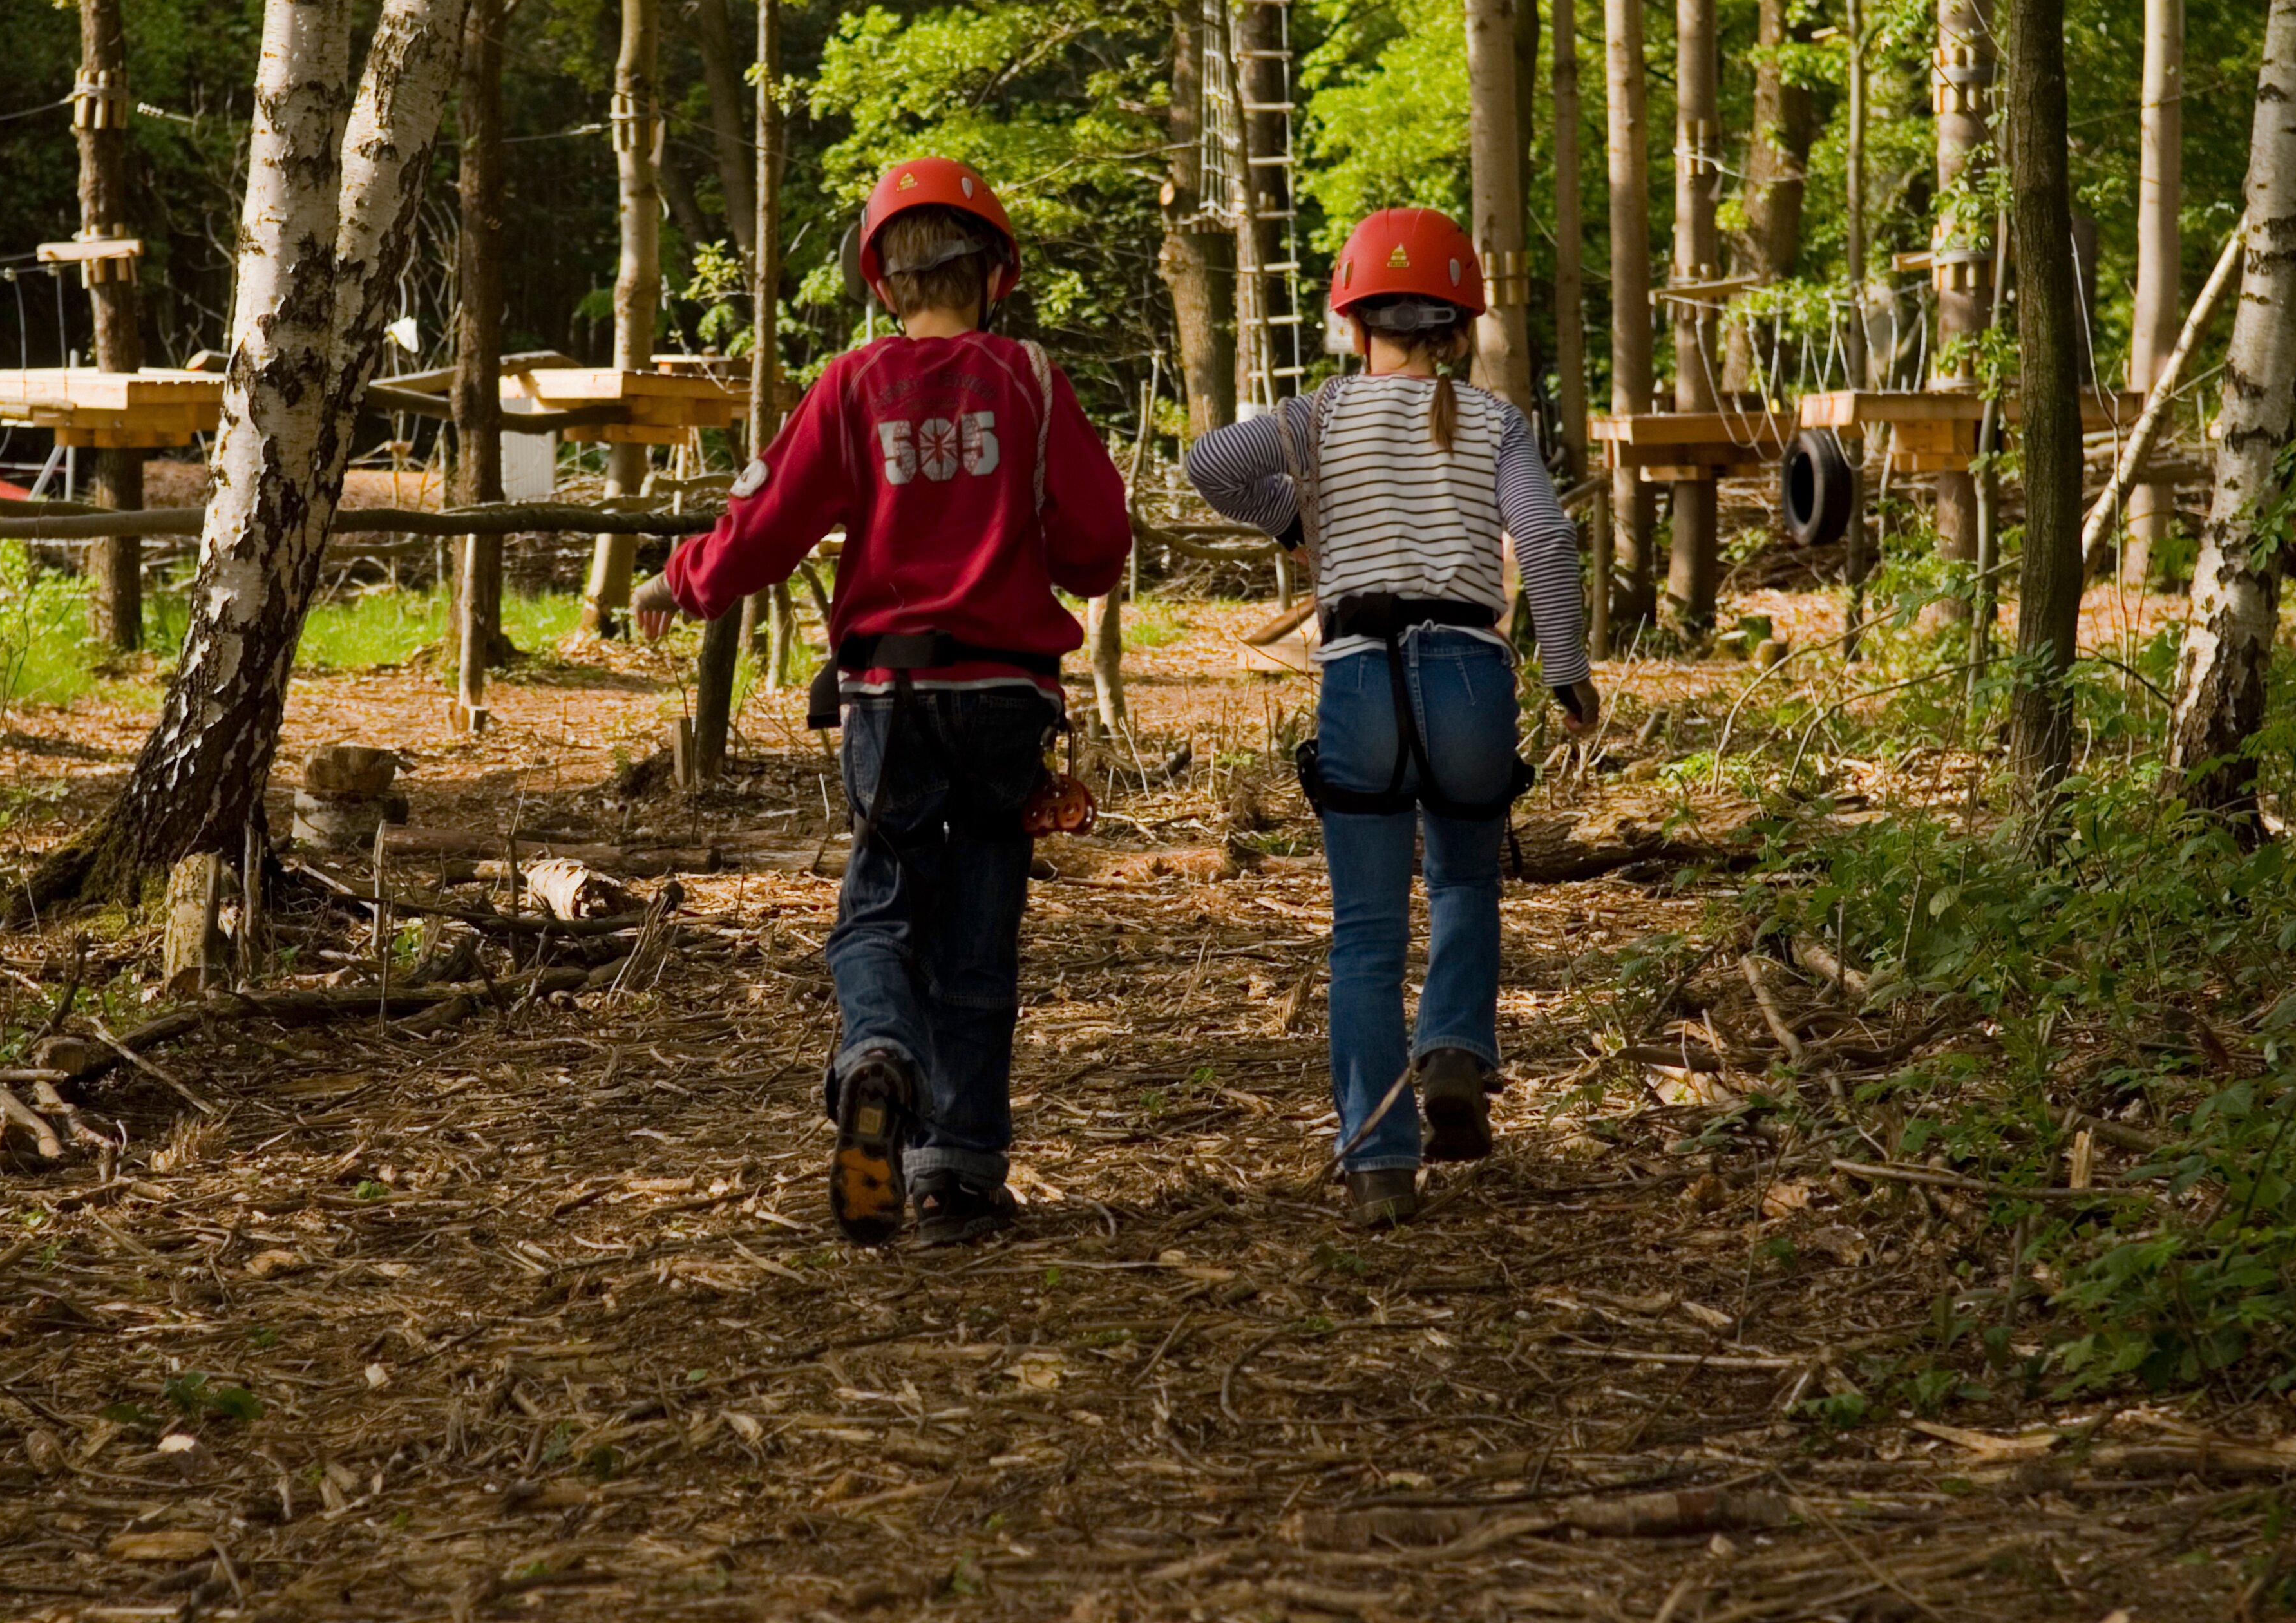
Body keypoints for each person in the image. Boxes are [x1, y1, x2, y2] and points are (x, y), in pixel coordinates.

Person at [632, 157, 1131, 1248]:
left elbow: (761, 529)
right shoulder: (1033, 381)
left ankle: (876, 1056)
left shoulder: (852, 389)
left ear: (882, 285)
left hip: (891, 696)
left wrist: (681, 579)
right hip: (1007, 697)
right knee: (982, 922)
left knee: (881, 902)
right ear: (994, 273)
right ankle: (958, 1174)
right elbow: (1099, 549)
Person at [1186, 206, 1599, 1227]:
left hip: (1362, 673)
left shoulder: (1318, 416)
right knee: (1464, 881)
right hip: (1469, 675)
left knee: (1364, 935)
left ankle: (1376, 1157)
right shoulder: (1497, 423)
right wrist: (1567, 672)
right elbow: (1544, 542)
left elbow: (1205, 464)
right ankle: (1454, 1050)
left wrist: (1295, 520)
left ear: (1351, 318)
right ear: (1460, 330)